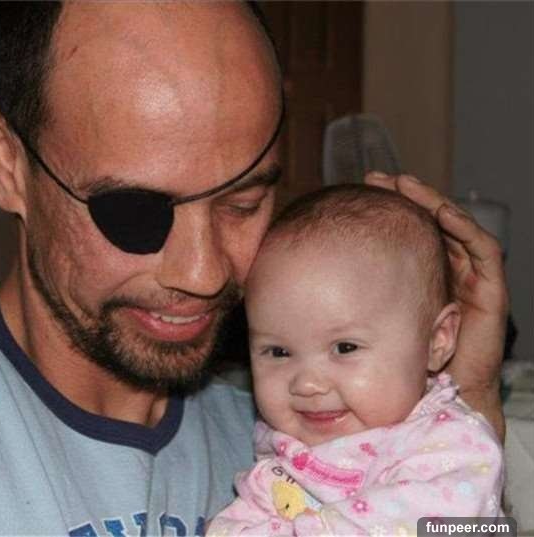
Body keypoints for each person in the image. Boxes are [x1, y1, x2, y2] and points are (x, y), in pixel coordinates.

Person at [0, 2, 508, 536]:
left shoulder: (307, 422)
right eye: (135, 212)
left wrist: (461, 399)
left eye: (242, 204)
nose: (203, 274)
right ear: (7, 163)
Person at [207, 185, 504, 536]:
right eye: (278, 352)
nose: (307, 384)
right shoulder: (282, 442)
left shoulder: (454, 446)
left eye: (345, 348)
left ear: (437, 340)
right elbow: (251, 507)